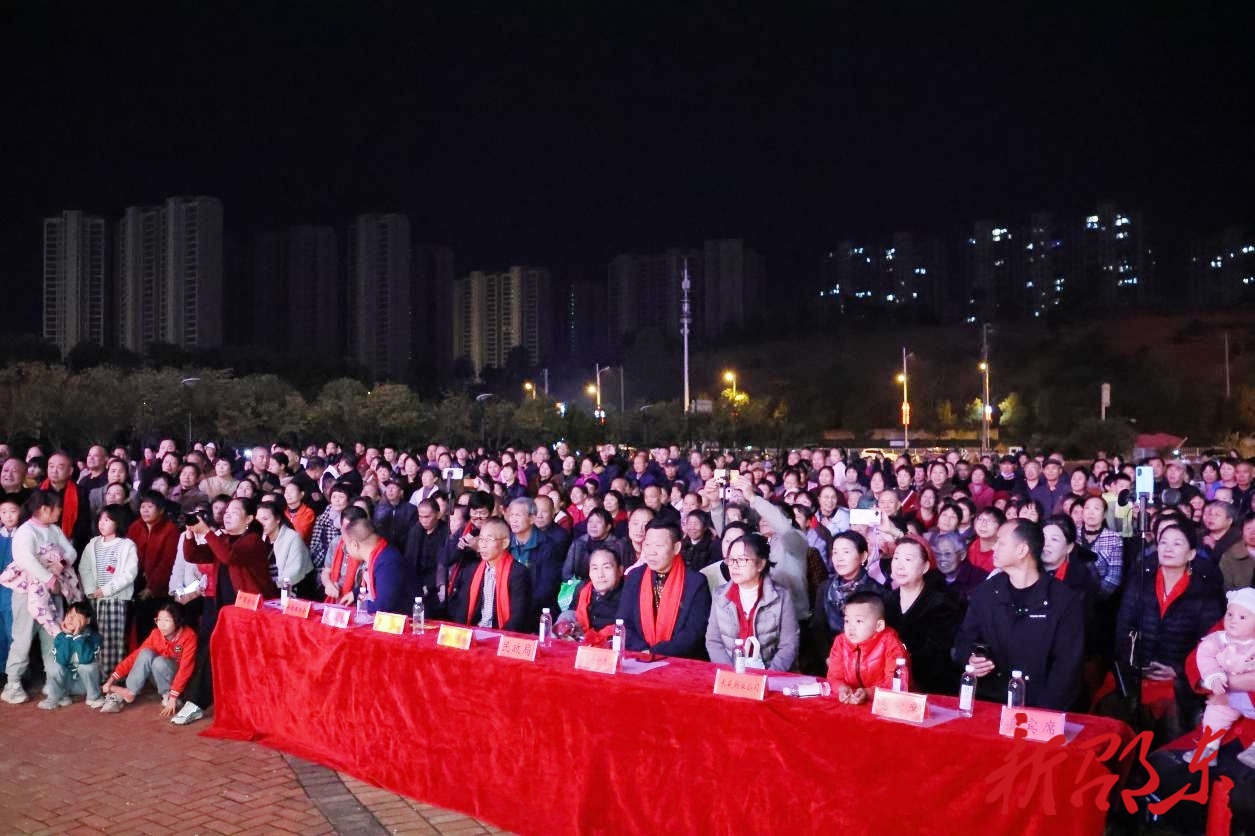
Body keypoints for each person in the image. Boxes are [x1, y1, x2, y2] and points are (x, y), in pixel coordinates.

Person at [952, 519, 1086, 710]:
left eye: (1001, 542)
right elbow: (963, 641)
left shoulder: (1063, 601)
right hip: (990, 701)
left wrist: (1041, 714)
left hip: (1040, 706)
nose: (994, 547)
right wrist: (971, 658)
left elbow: (1067, 669)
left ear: (1023, 550)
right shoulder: (986, 592)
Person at [1115, 523, 1225, 738]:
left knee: (1171, 729)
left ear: (1191, 553)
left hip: (1179, 680)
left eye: (1177, 544)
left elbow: (1210, 644)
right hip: (1138, 674)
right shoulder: (1140, 583)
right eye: (1163, 542)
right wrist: (1134, 665)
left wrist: (1179, 672)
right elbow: (1123, 628)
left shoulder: (1203, 592)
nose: (1168, 548)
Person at [1, 489, 79, 705]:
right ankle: (13, 683)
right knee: (23, 638)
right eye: (57, 507)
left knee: (54, 637)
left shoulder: (53, 530)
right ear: (44, 509)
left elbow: (70, 552)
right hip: (28, 593)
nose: (60, 510)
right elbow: (25, 558)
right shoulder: (26, 531)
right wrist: (47, 578)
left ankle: (54, 684)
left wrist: (60, 564)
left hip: (52, 592)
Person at [616, 520, 712, 659]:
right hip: (639, 656)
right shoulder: (634, 576)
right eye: (647, 544)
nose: (651, 552)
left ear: (676, 548)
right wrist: (643, 650)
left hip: (680, 661)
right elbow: (623, 621)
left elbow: (694, 632)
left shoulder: (695, 582)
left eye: (659, 545)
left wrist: (655, 652)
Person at [705, 532, 799, 671]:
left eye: (742, 560)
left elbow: (788, 645)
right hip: (731, 675)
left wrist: (769, 676)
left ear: (760, 564)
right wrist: (731, 673)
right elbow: (713, 641)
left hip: (769, 674)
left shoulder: (781, 597)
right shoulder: (720, 596)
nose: (734, 566)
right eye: (731, 560)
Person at [884, 535, 962, 695]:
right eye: (896, 558)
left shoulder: (943, 604)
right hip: (892, 684)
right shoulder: (886, 601)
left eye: (908, 559)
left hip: (933, 688)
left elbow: (937, 654)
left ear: (925, 567)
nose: (899, 565)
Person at [1190, 586, 1255, 766]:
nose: (1233, 621)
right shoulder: (1221, 637)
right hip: (1226, 696)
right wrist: (1216, 679)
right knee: (1215, 714)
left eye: (1242, 618)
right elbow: (1199, 657)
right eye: (1230, 615)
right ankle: (1208, 748)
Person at [100, 601, 197, 720]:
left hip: (178, 682)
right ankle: (130, 691)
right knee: (145, 653)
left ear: (177, 621)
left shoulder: (189, 636)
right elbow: (135, 657)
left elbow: (186, 669)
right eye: (159, 620)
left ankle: (167, 695)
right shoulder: (156, 634)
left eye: (167, 621)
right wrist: (112, 680)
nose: (162, 625)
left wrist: (173, 697)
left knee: (159, 661)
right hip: (158, 678)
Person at [77, 504, 138, 679]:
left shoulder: (127, 545)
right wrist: (91, 590)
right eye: (101, 519)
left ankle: (112, 676)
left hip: (115, 599)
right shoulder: (93, 544)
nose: (102, 523)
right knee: (95, 636)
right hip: (96, 598)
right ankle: (98, 673)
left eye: (107, 520)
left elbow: (130, 573)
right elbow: (84, 568)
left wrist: (106, 590)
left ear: (118, 522)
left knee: (112, 639)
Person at [446, 517, 532, 632]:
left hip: (501, 634)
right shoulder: (471, 570)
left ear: (504, 543)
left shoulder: (518, 573)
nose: (483, 545)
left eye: (489, 539)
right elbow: (462, 609)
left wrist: (500, 639)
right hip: (475, 632)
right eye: (481, 539)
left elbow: (518, 616)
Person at [825, 591, 908, 705]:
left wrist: (867, 693)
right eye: (847, 621)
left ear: (879, 626)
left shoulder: (891, 644)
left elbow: (895, 684)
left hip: (884, 705)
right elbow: (834, 676)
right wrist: (841, 688)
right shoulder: (841, 642)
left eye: (858, 621)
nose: (851, 627)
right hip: (851, 703)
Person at [126, 490, 180, 644]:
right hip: (134, 583)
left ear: (161, 510)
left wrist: (151, 588)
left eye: (150, 507)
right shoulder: (135, 527)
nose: (145, 510)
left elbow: (167, 563)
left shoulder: (170, 530)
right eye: (143, 507)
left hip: (159, 589)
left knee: (150, 627)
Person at [343, 513, 414, 615]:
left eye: (346, 545)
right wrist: (355, 593)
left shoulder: (388, 561)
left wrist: (358, 607)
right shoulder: (378, 553)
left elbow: (384, 606)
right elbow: (378, 584)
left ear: (354, 545)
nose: (346, 550)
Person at [41, 601, 105, 710]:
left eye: (75, 616)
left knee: (88, 666)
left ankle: (94, 697)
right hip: (65, 684)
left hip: (84, 686)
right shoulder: (60, 637)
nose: (70, 619)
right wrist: (68, 636)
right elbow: (62, 660)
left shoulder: (95, 637)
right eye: (68, 615)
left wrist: (77, 636)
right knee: (52, 664)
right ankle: (56, 697)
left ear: (88, 620)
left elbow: (85, 659)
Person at [556, 547, 625, 645]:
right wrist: (566, 626)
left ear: (620, 571)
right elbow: (572, 612)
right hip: (583, 644)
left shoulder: (629, 593)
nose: (600, 575)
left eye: (606, 567)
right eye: (595, 568)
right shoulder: (583, 588)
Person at [256, 499, 315, 598]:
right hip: (270, 589)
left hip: (295, 589)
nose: (261, 524)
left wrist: (270, 586)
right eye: (258, 520)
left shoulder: (292, 537)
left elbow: (293, 574)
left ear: (278, 519)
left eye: (265, 519)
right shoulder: (258, 538)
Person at [562, 508, 624, 581]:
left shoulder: (618, 546)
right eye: (590, 521)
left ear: (608, 527)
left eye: (598, 522)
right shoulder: (578, 543)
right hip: (579, 587)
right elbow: (566, 573)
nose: (593, 525)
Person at [931, 530, 987, 603]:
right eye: (938, 554)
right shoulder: (931, 577)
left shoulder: (980, 579)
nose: (942, 559)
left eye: (948, 554)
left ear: (962, 555)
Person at [0, 497, 20, 670]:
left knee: (13, 632)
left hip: (14, 592)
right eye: (4, 512)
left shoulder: (23, 536)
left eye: (12, 511)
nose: (8, 516)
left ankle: (15, 672)